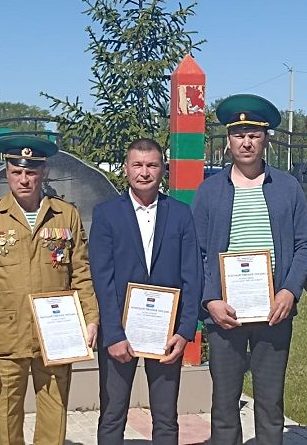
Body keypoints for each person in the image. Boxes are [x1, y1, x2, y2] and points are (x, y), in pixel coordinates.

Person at [191, 94, 307, 444]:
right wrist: (210, 299)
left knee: (271, 403)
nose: (246, 142)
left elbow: (305, 243)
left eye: (254, 134)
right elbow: (196, 253)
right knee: (224, 404)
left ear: (266, 139)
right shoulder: (210, 190)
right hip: (224, 314)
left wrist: (289, 290)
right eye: (239, 134)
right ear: (229, 140)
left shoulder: (287, 187)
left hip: (273, 311)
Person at [0, 135, 99, 445]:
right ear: (7, 172)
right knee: (7, 416)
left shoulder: (66, 216)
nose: (24, 179)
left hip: (57, 336)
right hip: (6, 336)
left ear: (44, 172)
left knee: (54, 412)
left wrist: (90, 317)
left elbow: (81, 273)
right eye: (17, 171)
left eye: (31, 171)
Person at [89, 138, 203, 445]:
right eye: (137, 165)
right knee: (113, 414)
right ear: (126, 168)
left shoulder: (180, 214)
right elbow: (102, 278)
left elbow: (193, 275)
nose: (144, 173)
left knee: (166, 417)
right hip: (119, 332)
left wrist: (184, 330)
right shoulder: (106, 214)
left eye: (152, 165)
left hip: (166, 335)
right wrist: (112, 334)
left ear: (162, 169)